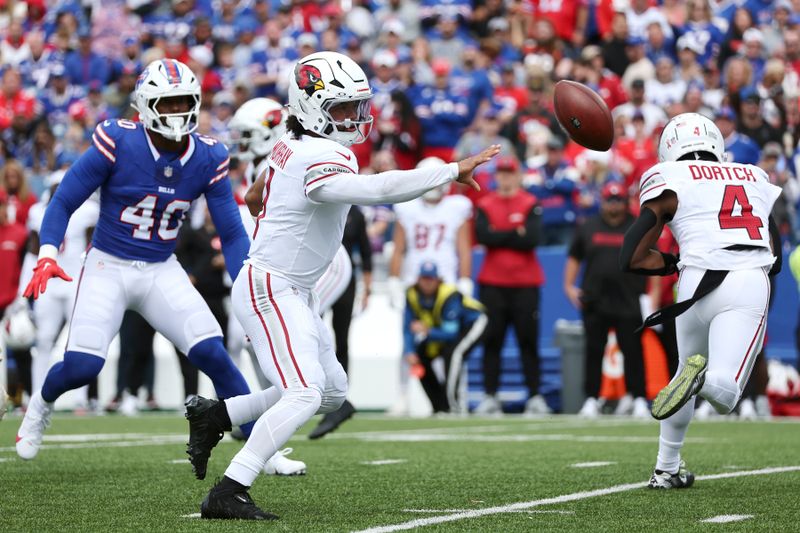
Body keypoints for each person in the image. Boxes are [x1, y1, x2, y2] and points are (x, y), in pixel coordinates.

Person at [184, 50, 499, 520]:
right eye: (344, 108)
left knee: (331, 391)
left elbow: (254, 195)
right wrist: (450, 171)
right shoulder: (318, 152)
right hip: (273, 284)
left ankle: (218, 416)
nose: (356, 117)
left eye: (357, 106)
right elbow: (379, 190)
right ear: (312, 108)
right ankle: (229, 489)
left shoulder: (294, 144)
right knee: (305, 392)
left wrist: (276, 199)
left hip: (293, 286)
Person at [15, 59, 256, 461]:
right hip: (108, 265)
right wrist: (47, 253)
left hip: (161, 268)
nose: (178, 112)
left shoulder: (208, 155)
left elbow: (231, 232)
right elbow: (64, 201)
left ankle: (260, 443)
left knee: (213, 353)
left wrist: (249, 289)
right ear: (145, 106)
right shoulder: (119, 141)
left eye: (184, 102)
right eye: (169, 103)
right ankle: (40, 405)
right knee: (81, 367)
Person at [620, 112, 782, 489]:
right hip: (744, 278)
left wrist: (670, 264)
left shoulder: (668, 177)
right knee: (724, 391)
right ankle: (700, 380)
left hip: (692, 284)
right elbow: (775, 249)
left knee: (683, 370)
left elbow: (630, 255)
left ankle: (666, 467)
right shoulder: (752, 175)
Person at [563, 181, 649, 418]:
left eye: (618, 200)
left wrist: (650, 295)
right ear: (602, 201)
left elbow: (652, 258)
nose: (614, 205)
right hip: (595, 299)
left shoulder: (636, 226)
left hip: (628, 298)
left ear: (625, 202)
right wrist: (569, 287)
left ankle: (639, 397)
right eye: (610, 200)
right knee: (593, 351)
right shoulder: (588, 226)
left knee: (633, 351)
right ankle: (591, 398)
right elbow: (574, 257)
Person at [473, 156, 549, 415]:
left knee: (528, 341)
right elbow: (483, 236)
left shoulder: (530, 202)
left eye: (509, 173)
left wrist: (499, 234)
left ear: (517, 175)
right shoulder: (485, 203)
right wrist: (515, 231)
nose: (505, 178)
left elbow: (532, 239)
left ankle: (535, 395)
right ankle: (490, 394)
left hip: (525, 283)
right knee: (492, 341)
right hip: (493, 283)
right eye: (501, 173)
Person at [26, 170, 99, 402]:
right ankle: (37, 393)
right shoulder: (37, 212)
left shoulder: (88, 210)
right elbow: (32, 249)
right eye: (56, 185)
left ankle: (81, 398)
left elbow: (93, 247)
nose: (60, 189)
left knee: (80, 339)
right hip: (49, 281)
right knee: (44, 339)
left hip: (75, 280)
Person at [402, 261, 487, 413]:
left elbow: (451, 333)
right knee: (420, 356)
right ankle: (438, 405)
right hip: (439, 329)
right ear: (418, 279)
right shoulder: (411, 294)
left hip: (473, 323)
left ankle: (453, 405)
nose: (427, 283)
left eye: (431, 278)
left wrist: (428, 331)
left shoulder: (449, 295)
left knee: (454, 353)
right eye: (424, 278)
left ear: (438, 280)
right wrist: (409, 350)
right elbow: (407, 326)